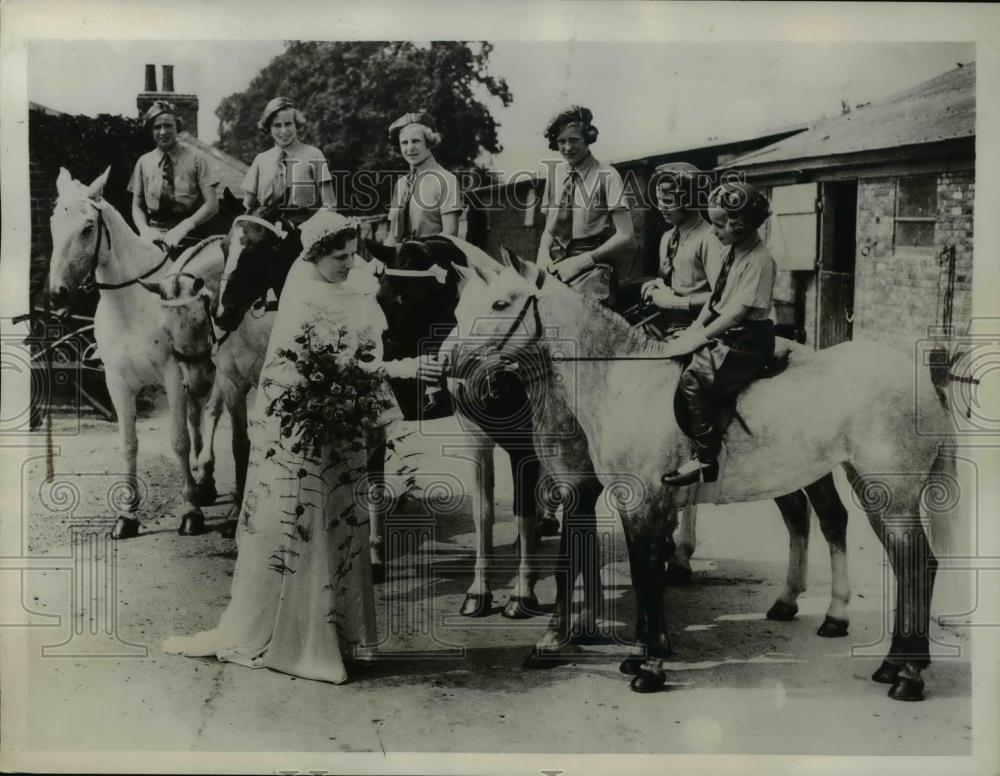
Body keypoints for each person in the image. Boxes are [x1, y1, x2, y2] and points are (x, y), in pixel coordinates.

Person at [162, 210, 442, 684]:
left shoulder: (356, 292)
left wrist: (394, 433)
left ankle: (340, 635)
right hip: (306, 436)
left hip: (343, 432)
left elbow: (362, 361)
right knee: (304, 530)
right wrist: (406, 369)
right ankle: (299, 639)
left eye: (354, 254)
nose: (349, 264)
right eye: (339, 257)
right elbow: (333, 369)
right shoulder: (306, 299)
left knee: (341, 531)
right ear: (313, 255)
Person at [661, 181, 776, 487]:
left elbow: (735, 314)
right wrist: (692, 333)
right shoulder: (733, 250)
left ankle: (706, 459)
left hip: (748, 342)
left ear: (740, 226)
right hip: (730, 334)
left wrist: (699, 340)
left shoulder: (759, 260)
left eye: (719, 225)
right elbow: (714, 302)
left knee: (693, 379)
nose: (713, 232)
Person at [536, 105, 634, 305]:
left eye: (574, 140)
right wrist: (543, 253)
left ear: (588, 139)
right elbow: (550, 229)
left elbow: (626, 235)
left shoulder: (607, 175)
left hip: (593, 265)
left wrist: (583, 262)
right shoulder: (555, 175)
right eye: (561, 141)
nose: (567, 148)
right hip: (555, 261)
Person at [639, 162, 723, 338]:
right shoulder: (667, 237)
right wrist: (654, 288)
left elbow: (721, 297)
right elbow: (667, 283)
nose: (661, 208)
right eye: (659, 200)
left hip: (694, 325)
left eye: (668, 201)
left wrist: (678, 303)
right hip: (664, 321)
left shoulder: (709, 238)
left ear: (690, 200)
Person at [129, 100, 220, 251]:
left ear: (177, 127)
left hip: (191, 239)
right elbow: (137, 206)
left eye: (168, 125)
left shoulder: (197, 159)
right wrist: (144, 229)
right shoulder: (143, 162)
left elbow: (212, 205)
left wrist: (184, 227)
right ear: (151, 131)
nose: (163, 132)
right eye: (157, 127)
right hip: (153, 240)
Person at [242, 97, 336, 225]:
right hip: (266, 230)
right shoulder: (260, 160)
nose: (284, 131)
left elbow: (330, 204)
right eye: (277, 125)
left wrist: (312, 229)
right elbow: (247, 206)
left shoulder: (313, 154)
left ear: (296, 124)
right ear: (269, 128)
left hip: (303, 230)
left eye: (288, 124)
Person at [383, 111, 463, 247]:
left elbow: (450, 235)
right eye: (404, 143)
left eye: (416, 141)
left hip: (436, 261)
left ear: (429, 142)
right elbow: (393, 236)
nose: (410, 148)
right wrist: (376, 262)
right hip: (404, 262)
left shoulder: (446, 180)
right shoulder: (401, 184)